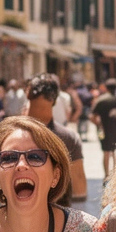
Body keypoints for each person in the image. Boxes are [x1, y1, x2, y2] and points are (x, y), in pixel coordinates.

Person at [26, 74, 87, 206]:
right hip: (58, 213)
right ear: (55, 100)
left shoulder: (9, 135)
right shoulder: (68, 138)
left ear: (28, 93)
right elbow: (80, 190)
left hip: (18, 213)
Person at [91, 79, 116, 180]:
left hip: (103, 130)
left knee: (106, 152)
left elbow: (92, 117)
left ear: (106, 88)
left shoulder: (101, 101)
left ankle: (106, 174)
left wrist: (98, 124)